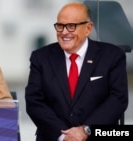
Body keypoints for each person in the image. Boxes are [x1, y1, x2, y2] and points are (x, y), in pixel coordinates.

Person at [25, 2, 128, 141]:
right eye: (60, 26)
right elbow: (34, 101)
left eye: (71, 26)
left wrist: (86, 130)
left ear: (88, 28)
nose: (64, 32)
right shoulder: (41, 57)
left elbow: (118, 99)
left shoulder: (112, 56)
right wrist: (63, 136)